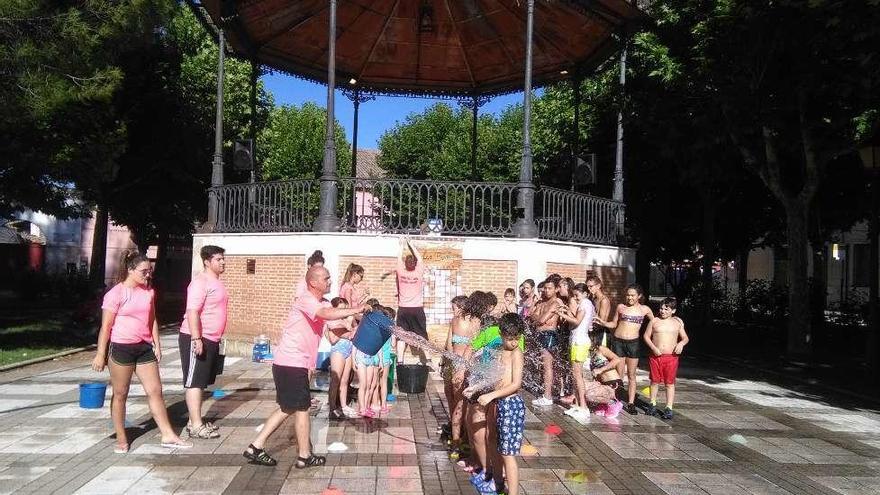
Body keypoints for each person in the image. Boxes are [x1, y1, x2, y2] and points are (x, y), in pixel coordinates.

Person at [243, 266, 368, 467]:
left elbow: (337, 324)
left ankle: (278, 450)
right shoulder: (306, 300)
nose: (330, 281)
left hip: (296, 363)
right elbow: (326, 313)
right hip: (290, 362)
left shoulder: (323, 303)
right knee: (297, 408)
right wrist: (356, 309)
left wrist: (364, 319)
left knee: (293, 407)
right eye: (326, 278)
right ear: (313, 282)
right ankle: (294, 454)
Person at [92, 251, 192, 453]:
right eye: (144, 271)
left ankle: (168, 434)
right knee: (120, 394)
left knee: (155, 391)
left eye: (150, 272)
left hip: (144, 347)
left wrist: (157, 343)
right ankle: (121, 438)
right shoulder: (116, 293)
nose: (148, 275)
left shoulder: (148, 292)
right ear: (130, 270)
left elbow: (152, 319)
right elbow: (106, 327)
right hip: (121, 348)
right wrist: (100, 354)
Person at [467, 313, 526, 495]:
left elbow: (516, 384)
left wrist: (491, 395)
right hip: (498, 403)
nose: (514, 342)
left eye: (517, 338)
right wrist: (476, 387)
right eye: (510, 339)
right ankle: (497, 483)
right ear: (500, 333)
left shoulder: (516, 354)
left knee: (508, 454)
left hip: (511, 406)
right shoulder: (500, 350)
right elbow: (494, 378)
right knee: (493, 441)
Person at [179, 245, 228, 440]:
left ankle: (194, 419)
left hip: (212, 339)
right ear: (207, 261)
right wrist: (196, 337)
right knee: (194, 382)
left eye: (223, 259)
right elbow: (192, 311)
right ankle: (196, 426)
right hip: (198, 337)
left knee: (202, 382)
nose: (223, 262)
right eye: (218, 259)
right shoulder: (200, 282)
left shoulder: (217, 282)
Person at [594, 284, 654, 415]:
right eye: (628, 295)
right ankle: (615, 400)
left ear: (639, 296)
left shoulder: (645, 309)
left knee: (632, 375)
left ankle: (631, 403)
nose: (629, 297)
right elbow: (614, 323)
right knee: (618, 375)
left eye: (632, 295)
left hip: (633, 344)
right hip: (618, 342)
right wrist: (603, 323)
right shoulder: (621, 307)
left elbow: (655, 322)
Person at [643, 297, 689, 419]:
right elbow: (646, 336)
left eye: (666, 309)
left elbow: (685, 338)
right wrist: (653, 348)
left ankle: (669, 407)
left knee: (669, 383)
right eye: (661, 308)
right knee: (654, 381)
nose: (662, 311)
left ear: (673, 311)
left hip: (671, 357)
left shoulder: (677, 323)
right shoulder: (654, 321)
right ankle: (652, 403)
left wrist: (681, 344)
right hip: (656, 356)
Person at [556, 283, 595, 412]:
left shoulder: (585, 303)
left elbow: (577, 322)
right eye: (574, 295)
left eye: (577, 295)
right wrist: (567, 311)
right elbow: (578, 320)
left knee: (577, 375)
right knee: (575, 375)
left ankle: (583, 406)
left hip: (580, 342)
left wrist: (559, 313)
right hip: (577, 341)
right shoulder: (585, 304)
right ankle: (578, 404)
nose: (576, 298)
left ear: (585, 293)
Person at [527, 278, 564, 406]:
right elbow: (531, 316)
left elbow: (541, 319)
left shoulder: (555, 303)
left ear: (556, 289)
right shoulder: (542, 302)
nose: (546, 291)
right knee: (542, 366)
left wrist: (538, 319)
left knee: (548, 366)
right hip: (540, 334)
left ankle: (548, 396)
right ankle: (547, 393)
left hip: (549, 335)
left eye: (550, 288)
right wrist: (537, 318)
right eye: (545, 288)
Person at [393, 237, 428, 365]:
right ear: (414, 264)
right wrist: (410, 243)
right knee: (422, 335)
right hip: (417, 309)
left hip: (403, 309)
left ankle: (400, 360)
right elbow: (420, 258)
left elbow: (398, 258)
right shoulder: (419, 272)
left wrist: (401, 245)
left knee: (401, 336)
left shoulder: (401, 271)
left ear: (405, 264)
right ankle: (428, 360)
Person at [325, 297, 356, 420]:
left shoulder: (345, 320)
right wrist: (345, 328)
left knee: (345, 381)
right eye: (340, 310)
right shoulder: (331, 322)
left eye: (345, 309)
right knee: (335, 381)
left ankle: (343, 406)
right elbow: (333, 339)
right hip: (338, 351)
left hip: (348, 349)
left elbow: (353, 332)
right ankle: (332, 408)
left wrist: (349, 326)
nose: (343, 313)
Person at [586, 333, 625, 419]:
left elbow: (617, 359)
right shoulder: (591, 352)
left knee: (589, 394)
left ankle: (613, 403)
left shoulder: (601, 348)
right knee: (583, 389)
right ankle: (604, 403)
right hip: (605, 385)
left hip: (614, 385)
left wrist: (601, 369)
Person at [586, 275, 612, 342]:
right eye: (588, 287)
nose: (589, 289)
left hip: (602, 331)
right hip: (594, 330)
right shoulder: (594, 299)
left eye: (591, 286)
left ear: (598, 286)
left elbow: (601, 320)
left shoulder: (604, 300)